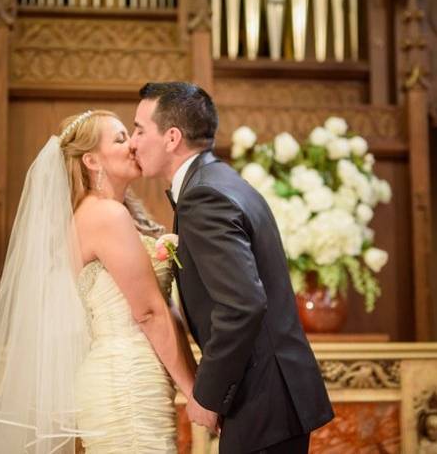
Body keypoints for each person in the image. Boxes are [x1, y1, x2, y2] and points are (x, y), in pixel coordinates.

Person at [131, 82, 335, 454]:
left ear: (172, 137)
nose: (133, 141)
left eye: (140, 129)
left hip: (262, 400)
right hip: (271, 395)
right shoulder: (220, 181)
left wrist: (207, 395)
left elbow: (242, 305)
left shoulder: (204, 196)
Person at [0, 110, 197, 453]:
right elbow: (150, 313)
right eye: (122, 139)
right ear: (92, 160)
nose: (134, 145)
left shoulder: (103, 213)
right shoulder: (104, 215)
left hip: (133, 374)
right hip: (125, 381)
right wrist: (195, 391)